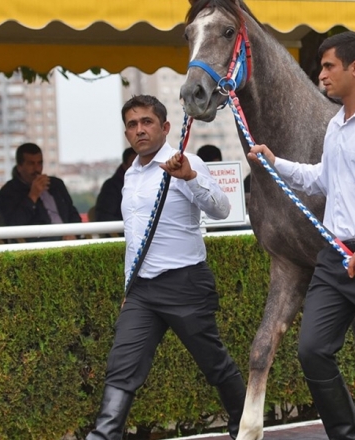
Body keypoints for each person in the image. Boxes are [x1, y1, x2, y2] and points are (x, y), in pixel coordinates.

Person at [248, 32, 355, 440]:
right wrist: (276, 162)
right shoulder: (336, 126)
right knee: (312, 352)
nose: (321, 75)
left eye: (328, 66)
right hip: (335, 258)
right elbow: (321, 180)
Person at [86, 95, 246, 440]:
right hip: (142, 290)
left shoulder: (186, 161)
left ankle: (245, 428)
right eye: (132, 124)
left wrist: (189, 178)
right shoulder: (131, 174)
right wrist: (130, 290)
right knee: (121, 367)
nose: (139, 129)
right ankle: (103, 435)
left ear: (165, 127)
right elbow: (135, 239)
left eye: (147, 122)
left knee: (214, 365)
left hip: (185, 283)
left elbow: (221, 209)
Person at [0, 143, 82, 241]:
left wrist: (73, 233)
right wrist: (32, 196)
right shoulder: (8, 192)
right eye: (31, 164)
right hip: (40, 244)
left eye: (40, 163)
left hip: (69, 239)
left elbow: (73, 214)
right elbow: (13, 224)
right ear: (20, 167)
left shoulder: (56, 184)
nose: (37, 169)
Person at [95, 148, 137, 222]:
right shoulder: (111, 187)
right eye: (134, 164)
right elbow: (104, 216)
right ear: (124, 165)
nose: (138, 167)